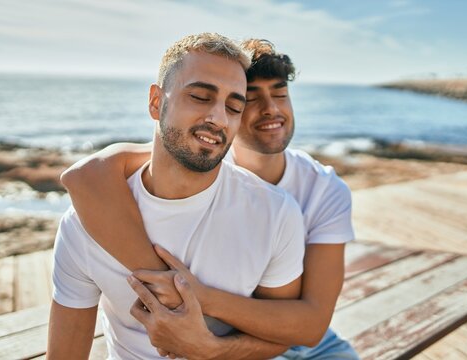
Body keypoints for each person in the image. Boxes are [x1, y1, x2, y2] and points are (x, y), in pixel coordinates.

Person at [62, 39, 360, 359]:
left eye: (280, 94)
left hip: (290, 339)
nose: (271, 109)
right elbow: (87, 175)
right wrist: (166, 283)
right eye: (251, 100)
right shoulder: (200, 158)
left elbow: (310, 326)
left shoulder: (318, 191)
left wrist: (195, 302)